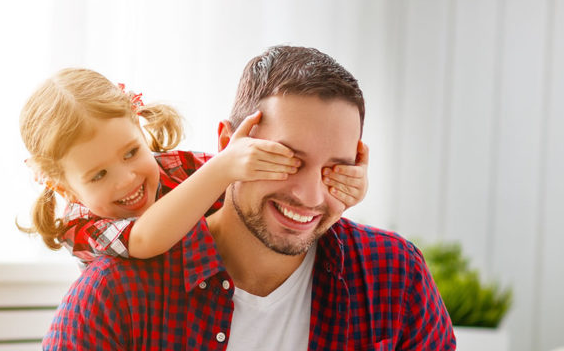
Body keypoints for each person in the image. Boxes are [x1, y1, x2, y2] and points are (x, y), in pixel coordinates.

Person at [20, 46, 474, 351]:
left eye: (334, 169)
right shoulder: (114, 292)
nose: (309, 196)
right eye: (285, 160)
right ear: (228, 146)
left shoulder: (391, 271)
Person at [18, 67, 368, 265]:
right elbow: (143, 239)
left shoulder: (176, 168)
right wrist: (222, 168)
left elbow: (252, 191)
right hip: (145, 329)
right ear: (65, 188)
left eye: (130, 152)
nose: (127, 178)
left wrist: (338, 184)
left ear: (140, 128)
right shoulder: (81, 225)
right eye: (98, 175)